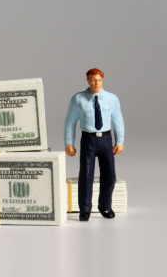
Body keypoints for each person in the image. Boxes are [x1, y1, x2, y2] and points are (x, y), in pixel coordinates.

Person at [64, 68, 124, 222]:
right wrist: (69, 142)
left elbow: (118, 120)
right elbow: (70, 122)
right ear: (88, 81)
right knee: (86, 176)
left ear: (102, 80)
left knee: (110, 176)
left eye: (99, 80)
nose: (96, 83)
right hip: (88, 141)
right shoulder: (78, 99)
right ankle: (85, 209)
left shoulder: (112, 99)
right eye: (93, 80)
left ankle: (105, 206)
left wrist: (120, 141)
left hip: (105, 140)